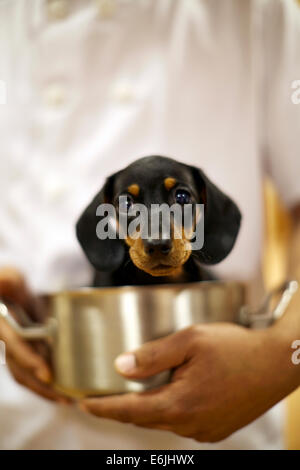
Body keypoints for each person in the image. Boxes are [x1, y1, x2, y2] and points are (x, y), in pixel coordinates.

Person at [0, 0, 300, 450]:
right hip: (31, 416)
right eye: (132, 207)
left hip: (226, 423)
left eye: (180, 199)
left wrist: (284, 355)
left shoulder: (256, 9)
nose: (158, 236)